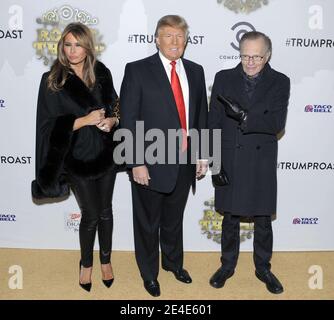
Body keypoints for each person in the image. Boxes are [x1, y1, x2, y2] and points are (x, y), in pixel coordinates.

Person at [120, 15, 208, 297]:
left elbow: (201, 117)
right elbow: (129, 120)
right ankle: (149, 274)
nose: (174, 41)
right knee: (147, 223)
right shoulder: (137, 70)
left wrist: (203, 155)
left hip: (184, 162)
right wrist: (135, 162)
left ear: (186, 40)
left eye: (180, 36)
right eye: (168, 35)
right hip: (149, 163)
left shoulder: (196, 71)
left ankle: (173, 263)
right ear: (156, 39)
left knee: (173, 220)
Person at [31, 22, 120, 292]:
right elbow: (47, 126)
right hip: (76, 158)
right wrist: (84, 120)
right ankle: (86, 264)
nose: (72, 50)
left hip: (106, 153)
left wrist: (113, 121)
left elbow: (116, 105)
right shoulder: (53, 80)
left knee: (106, 212)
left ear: (87, 46)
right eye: (67, 44)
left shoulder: (101, 72)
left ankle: (106, 260)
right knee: (90, 214)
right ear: (62, 47)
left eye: (77, 44)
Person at [208, 31, 290, 294]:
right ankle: (227, 266)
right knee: (229, 218)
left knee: (263, 219)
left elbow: (276, 125)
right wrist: (214, 162)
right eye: (245, 56)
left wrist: (244, 116)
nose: (250, 62)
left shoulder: (280, 82)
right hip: (230, 157)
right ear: (240, 54)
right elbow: (213, 123)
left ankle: (263, 268)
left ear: (267, 56)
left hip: (260, 161)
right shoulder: (224, 78)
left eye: (256, 56)